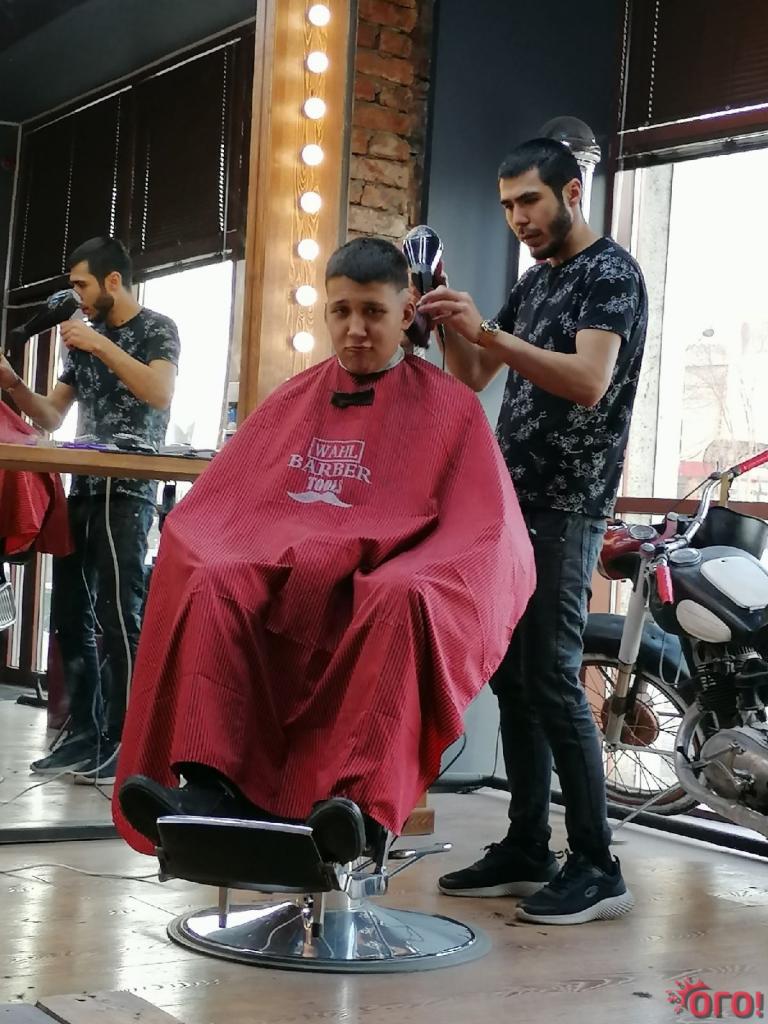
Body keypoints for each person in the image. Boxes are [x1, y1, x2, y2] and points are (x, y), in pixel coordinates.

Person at [113, 236, 536, 864]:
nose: (355, 329)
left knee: (401, 598)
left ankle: (357, 809)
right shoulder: (295, 397)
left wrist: (396, 568)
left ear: (407, 310)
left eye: (373, 312)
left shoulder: (450, 406)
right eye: (341, 311)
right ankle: (208, 785)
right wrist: (264, 552)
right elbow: (226, 503)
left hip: (388, 572)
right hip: (287, 565)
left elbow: (485, 529)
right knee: (217, 578)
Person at [417, 138, 648, 925]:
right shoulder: (537, 280)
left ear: (571, 192)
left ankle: (598, 865)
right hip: (512, 502)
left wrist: (488, 333)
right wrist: (449, 314)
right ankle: (527, 845)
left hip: (569, 503)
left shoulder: (610, 274)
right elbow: (473, 375)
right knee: (513, 680)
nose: (518, 217)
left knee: (551, 676)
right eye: (508, 205)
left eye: (530, 201)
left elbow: (588, 381)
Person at [0, 237, 180, 781]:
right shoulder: (81, 341)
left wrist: (99, 345)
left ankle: (127, 740)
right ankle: (84, 732)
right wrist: (13, 386)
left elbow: (158, 392)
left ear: (113, 281)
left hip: (129, 490)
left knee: (120, 615)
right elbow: (53, 416)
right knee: (69, 614)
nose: (76, 295)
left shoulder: (158, 328)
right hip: (81, 487)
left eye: (81, 284)